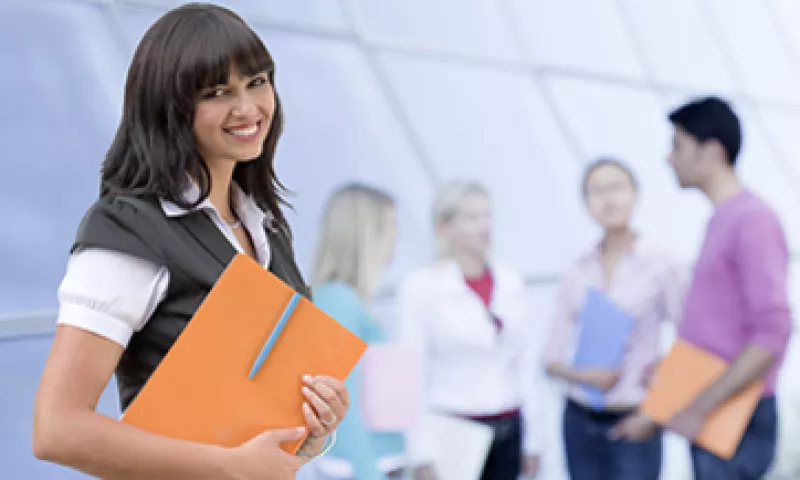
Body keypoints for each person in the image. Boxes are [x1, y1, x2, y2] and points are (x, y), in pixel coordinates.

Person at [32, 4, 349, 479]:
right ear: (171, 108)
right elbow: (57, 430)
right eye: (218, 93)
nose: (248, 108)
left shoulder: (265, 227)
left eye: (258, 82)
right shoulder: (129, 230)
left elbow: (257, 444)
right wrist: (227, 468)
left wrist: (315, 429)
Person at [614, 96, 793, 479]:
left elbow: (773, 332)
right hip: (717, 406)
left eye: (677, 146)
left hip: (735, 413)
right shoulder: (722, 220)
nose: (669, 158)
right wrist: (674, 368)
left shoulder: (753, 221)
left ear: (710, 152)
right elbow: (723, 330)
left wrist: (699, 406)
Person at [543, 158, 686, 480]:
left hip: (634, 418)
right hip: (579, 418)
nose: (608, 199)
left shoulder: (662, 264)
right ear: (585, 203)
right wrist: (582, 375)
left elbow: (692, 340)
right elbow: (550, 357)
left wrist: (657, 411)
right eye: (597, 191)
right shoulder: (577, 269)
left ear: (635, 194)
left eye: (617, 188)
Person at [396, 180, 543, 480]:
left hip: (509, 427)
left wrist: (534, 440)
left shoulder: (510, 281)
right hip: (453, 431)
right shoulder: (421, 287)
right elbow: (410, 373)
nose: (484, 226)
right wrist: (420, 452)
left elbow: (527, 365)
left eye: (487, 216)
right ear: (445, 226)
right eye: (472, 217)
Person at [304, 183, 406, 480]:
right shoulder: (338, 301)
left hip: (378, 461)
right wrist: (369, 473)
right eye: (390, 226)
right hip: (361, 467)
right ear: (366, 233)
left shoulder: (349, 299)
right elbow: (340, 409)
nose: (396, 237)